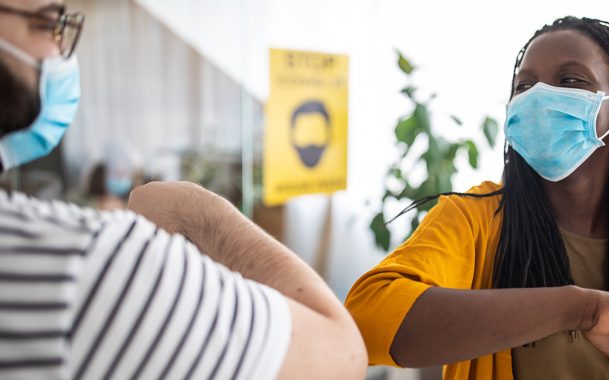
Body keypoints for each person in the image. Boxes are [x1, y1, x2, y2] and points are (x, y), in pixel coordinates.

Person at [0, 0, 366, 379]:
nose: (61, 52)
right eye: (46, 24)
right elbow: (340, 357)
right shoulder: (82, 263)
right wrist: (198, 207)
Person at [345, 16, 609, 380]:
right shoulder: (474, 219)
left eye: (569, 80)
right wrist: (582, 309)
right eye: (525, 86)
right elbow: (366, 318)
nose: (538, 99)